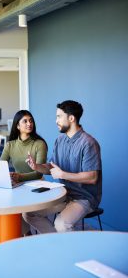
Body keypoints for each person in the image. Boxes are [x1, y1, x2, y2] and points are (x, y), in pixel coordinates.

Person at [23, 100, 102, 233]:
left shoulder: (89, 143)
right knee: (29, 214)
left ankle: (70, 251)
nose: (56, 120)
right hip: (64, 194)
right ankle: (57, 243)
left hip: (84, 198)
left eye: (59, 116)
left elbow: (92, 177)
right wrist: (36, 166)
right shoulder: (60, 140)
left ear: (71, 118)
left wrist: (62, 174)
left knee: (61, 224)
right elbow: (52, 167)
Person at [0, 110, 47, 183]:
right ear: (18, 126)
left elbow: (39, 174)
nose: (29, 124)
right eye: (25, 121)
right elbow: (0, 167)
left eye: (31, 121)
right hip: (17, 183)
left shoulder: (40, 144)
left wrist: (19, 177)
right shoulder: (9, 145)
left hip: (37, 184)